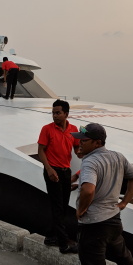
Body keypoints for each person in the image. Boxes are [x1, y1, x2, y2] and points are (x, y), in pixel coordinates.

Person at [72, 123, 133, 265]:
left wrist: (81, 210)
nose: (79, 143)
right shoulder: (117, 156)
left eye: (84, 140)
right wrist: (125, 202)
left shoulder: (89, 162)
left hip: (93, 226)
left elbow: (88, 190)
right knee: (119, 249)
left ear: (97, 142)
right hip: (113, 219)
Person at [38, 99, 80, 253]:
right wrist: (49, 169)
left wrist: (87, 150)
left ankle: (51, 237)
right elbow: (41, 151)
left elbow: (77, 149)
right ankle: (64, 243)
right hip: (52, 170)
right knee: (57, 206)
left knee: (62, 206)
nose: (54, 115)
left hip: (65, 171)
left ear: (66, 114)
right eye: (53, 113)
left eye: (58, 113)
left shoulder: (74, 129)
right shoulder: (47, 129)